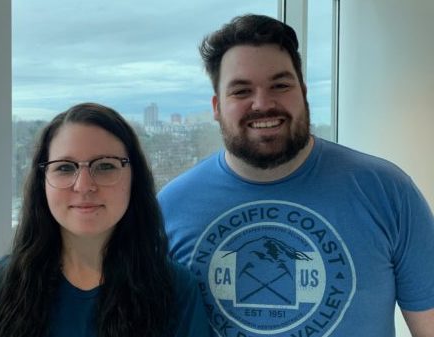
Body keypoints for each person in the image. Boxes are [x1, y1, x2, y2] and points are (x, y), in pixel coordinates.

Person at [158, 14, 434, 337]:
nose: (262, 103)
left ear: (303, 91)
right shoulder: (170, 208)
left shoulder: (387, 192)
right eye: (241, 91)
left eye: (280, 85)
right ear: (217, 106)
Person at [0, 103, 210, 337]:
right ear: (43, 183)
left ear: (135, 178)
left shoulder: (175, 289)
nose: (84, 185)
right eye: (64, 167)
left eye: (105, 166)